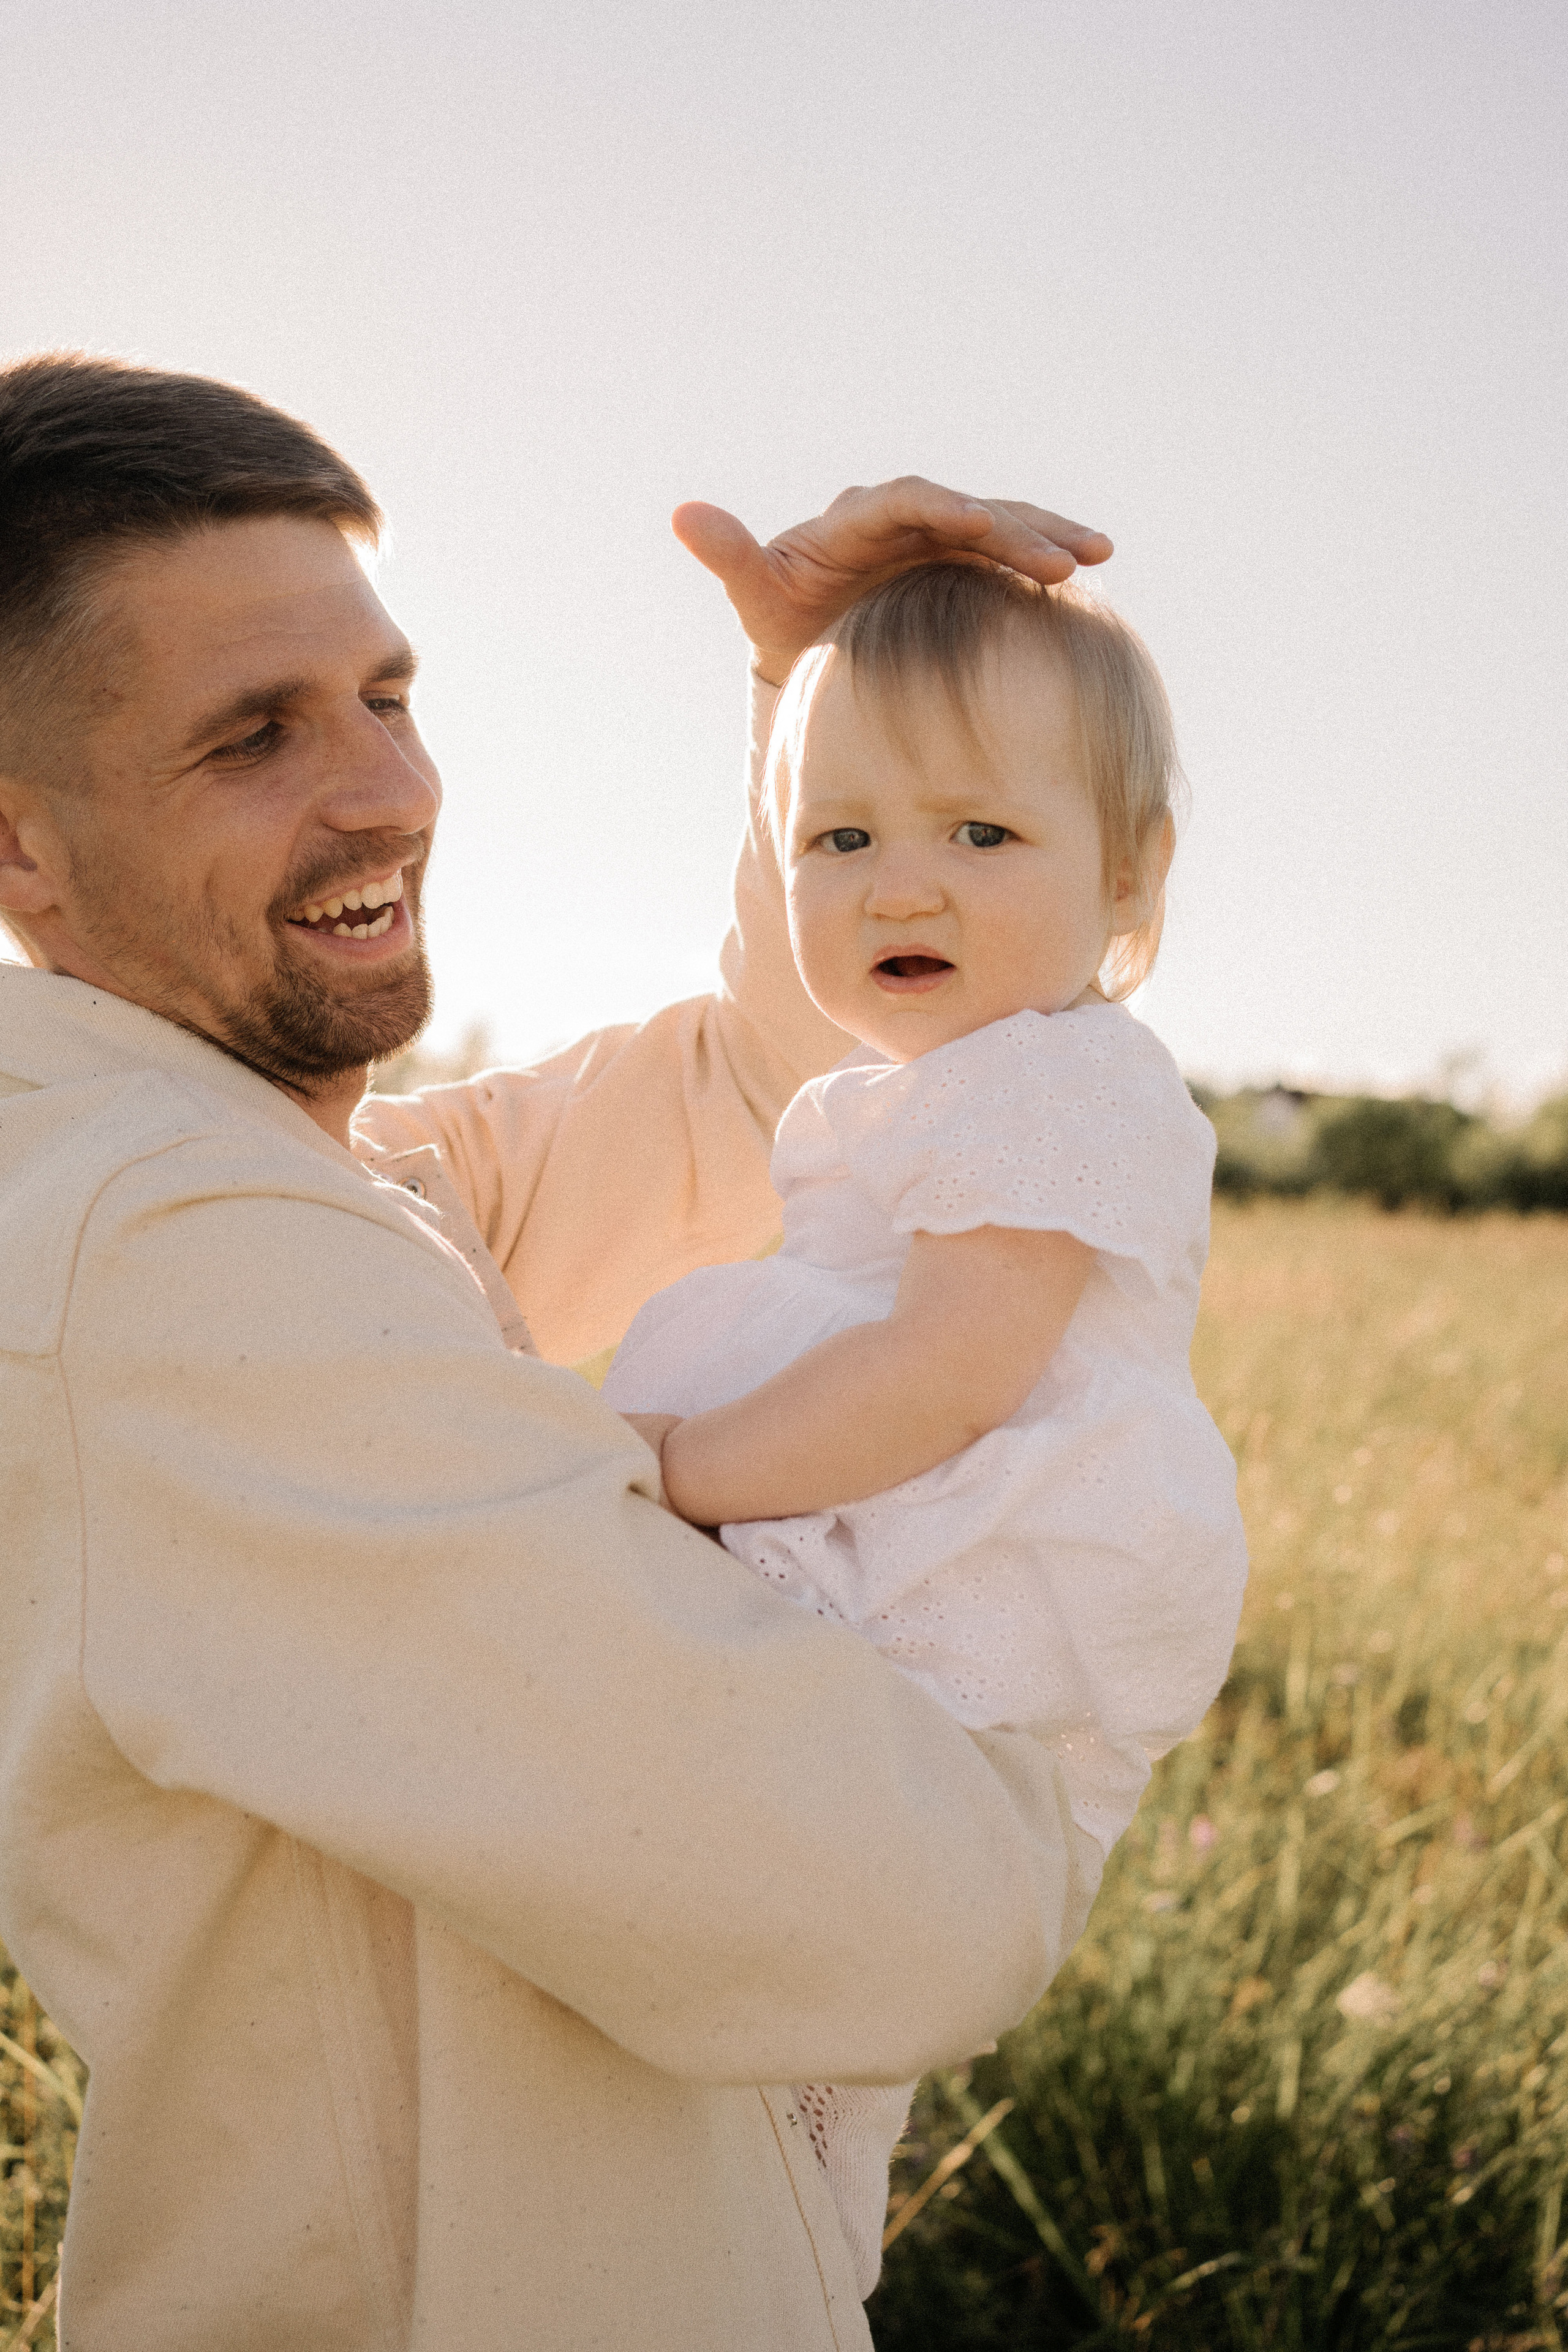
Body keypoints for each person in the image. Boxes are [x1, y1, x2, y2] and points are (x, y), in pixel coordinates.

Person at [0, 350, 1117, 2351]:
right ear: (17, 851)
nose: (389, 790)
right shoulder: (172, 1244)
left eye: (388, 697)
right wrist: (1075, 1673)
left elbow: (766, 1096)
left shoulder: (267, 1164)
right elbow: (902, 1905)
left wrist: (825, 733)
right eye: (254, 735)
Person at [602, 562, 1250, 2294]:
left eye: (981, 835)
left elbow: (948, 1373)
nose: (904, 880)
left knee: (809, 2000)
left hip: (969, 1575)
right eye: (841, 840)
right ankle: (757, 2251)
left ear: (1130, 879)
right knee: (784, 2049)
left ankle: (766, 2266)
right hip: (913, 1556)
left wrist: (666, 1481)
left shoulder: (1052, 1076)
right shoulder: (934, 1088)